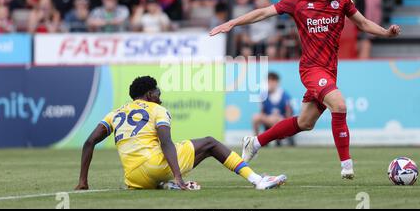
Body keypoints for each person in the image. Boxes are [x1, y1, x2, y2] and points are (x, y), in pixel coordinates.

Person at [210, 0, 401, 179]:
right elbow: (263, 13)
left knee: (304, 123)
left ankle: (255, 142)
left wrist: (387, 33)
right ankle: (347, 166)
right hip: (311, 69)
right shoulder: (299, 1)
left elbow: (364, 23)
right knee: (339, 105)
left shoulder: (343, 1)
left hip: (329, 71)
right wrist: (232, 23)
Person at [75, 76, 287, 190]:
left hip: (134, 179)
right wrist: (178, 176)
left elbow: (89, 142)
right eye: (158, 92)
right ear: (150, 94)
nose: (160, 95)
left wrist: (83, 180)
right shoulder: (157, 109)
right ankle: (258, 180)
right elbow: (166, 142)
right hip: (155, 167)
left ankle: (165, 184)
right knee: (211, 143)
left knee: (199, 151)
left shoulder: (115, 113)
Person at [252, 72, 293, 146]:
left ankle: (278, 139)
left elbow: (288, 112)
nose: (271, 84)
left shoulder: (284, 94)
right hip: (268, 118)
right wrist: (268, 117)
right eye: (269, 82)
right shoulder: (263, 95)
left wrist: (285, 121)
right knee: (255, 117)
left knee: (278, 120)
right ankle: (257, 141)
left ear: (277, 82)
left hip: (281, 119)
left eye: (273, 81)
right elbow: (262, 112)